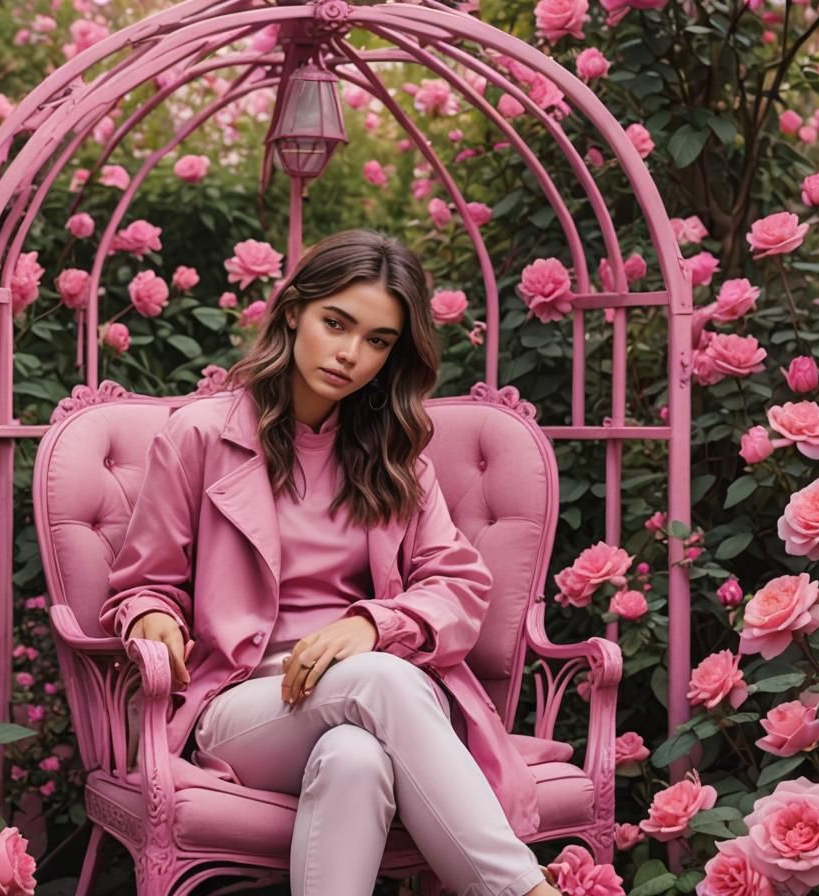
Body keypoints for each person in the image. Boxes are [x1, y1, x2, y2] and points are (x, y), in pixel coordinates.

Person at [100, 230, 561, 896]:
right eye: (336, 323)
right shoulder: (200, 434)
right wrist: (150, 616)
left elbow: (457, 585)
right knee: (381, 681)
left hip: (375, 694)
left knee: (355, 758)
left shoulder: (396, 458)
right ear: (293, 312)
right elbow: (144, 582)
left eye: (377, 341)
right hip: (245, 707)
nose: (350, 354)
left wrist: (373, 626)